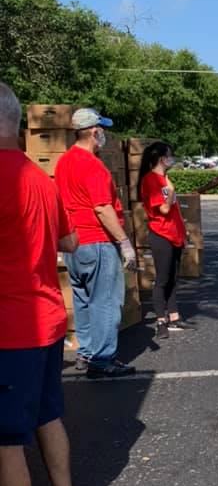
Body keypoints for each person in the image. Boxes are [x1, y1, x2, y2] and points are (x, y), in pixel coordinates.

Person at [0, 83, 88, 486]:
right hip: (47, 322)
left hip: (10, 330)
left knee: (6, 439)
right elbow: (70, 241)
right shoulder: (39, 176)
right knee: (47, 414)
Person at [54, 107, 137, 379]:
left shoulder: (64, 162)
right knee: (105, 303)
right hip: (98, 242)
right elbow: (102, 208)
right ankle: (102, 360)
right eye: (103, 130)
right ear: (94, 131)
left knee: (83, 301)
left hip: (75, 244)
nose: (105, 135)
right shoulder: (92, 165)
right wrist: (124, 242)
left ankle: (86, 352)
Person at [139, 142, 188, 340]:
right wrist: (171, 190)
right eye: (169, 155)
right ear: (161, 158)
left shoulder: (163, 179)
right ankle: (161, 320)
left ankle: (174, 315)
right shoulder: (151, 180)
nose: (171, 158)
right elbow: (164, 209)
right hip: (161, 235)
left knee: (174, 277)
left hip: (174, 234)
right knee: (162, 278)